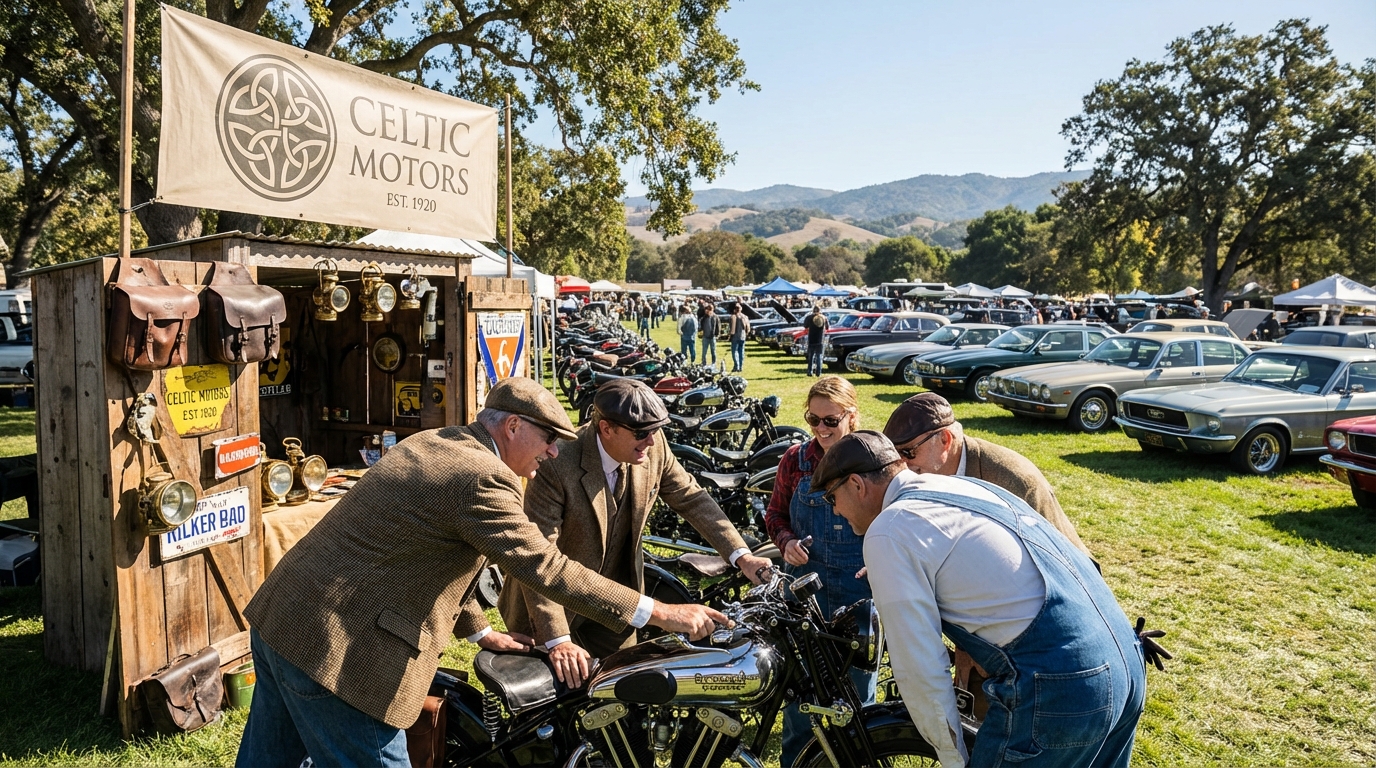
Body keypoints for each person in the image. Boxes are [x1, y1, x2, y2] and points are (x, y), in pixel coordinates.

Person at [235, 378, 727, 767]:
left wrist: (480, 629)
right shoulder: (482, 477)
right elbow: (545, 567)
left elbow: (429, 554)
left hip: (286, 618)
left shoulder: (439, 442)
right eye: (548, 439)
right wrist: (659, 611)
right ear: (513, 426)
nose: (555, 452)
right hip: (340, 651)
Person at [814, 431, 1147, 768]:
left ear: (856, 484)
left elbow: (920, 668)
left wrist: (951, 755)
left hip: (1063, 684)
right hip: (1126, 656)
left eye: (831, 498)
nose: (836, 510)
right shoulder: (960, 487)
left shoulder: (889, 529)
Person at [501, 379, 773, 686]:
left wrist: (743, 556)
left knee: (623, 689)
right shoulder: (556, 462)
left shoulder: (652, 449)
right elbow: (538, 556)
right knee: (542, 704)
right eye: (642, 433)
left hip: (619, 602)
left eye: (657, 430)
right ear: (606, 428)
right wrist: (557, 640)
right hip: (551, 606)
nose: (652, 441)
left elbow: (692, 498)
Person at [763, 376, 875, 766]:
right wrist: (786, 542)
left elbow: (895, 520)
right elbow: (775, 514)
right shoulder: (794, 460)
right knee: (801, 697)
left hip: (859, 591)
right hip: (803, 591)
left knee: (858, 695)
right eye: (814, 419)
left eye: (831, 420)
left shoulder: (872, 457)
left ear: (852, 415)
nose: (821, 429)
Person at [882, 392, 1093, 557]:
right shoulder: (919, 473)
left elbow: (1064, 556)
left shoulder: (1015, 482)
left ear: (945, 441)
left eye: (908, 452)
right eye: (895, 453)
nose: (902, 463)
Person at [805, 305, 828, 376]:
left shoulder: (809, 317)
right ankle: (818, 372)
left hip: (811, 339)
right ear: (819, 310)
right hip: (820, 339)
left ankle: (810, 372)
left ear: (813, 310)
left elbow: (805, 326)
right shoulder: (824, 318)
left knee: (811, 356)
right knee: (819, 356)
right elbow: (827, 327)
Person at [727, 303, 751, 372]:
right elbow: (748, 328)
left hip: (735, 336)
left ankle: (736, 366)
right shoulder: (745, 317)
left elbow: (731, 328)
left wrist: (730, 336)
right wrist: (746, 333)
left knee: (734, 352)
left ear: (735, 309)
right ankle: (740, 367)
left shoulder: (733, 317)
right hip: (743, 336)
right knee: (741, 352)